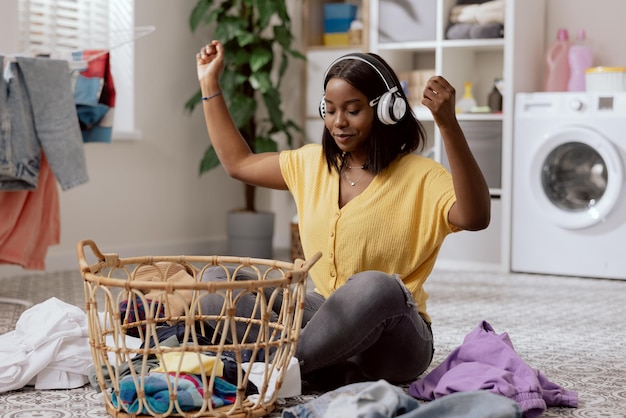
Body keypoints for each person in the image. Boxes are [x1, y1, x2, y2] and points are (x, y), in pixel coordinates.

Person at [195, 40, 491, 390]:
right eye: (330, 109)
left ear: (388, 110)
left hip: (394, 338)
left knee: (376, 284)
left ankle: (277, 368)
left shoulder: (422, 175)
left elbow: (475, 217)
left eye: (353, 110)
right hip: (327, 316)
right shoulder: (311, 164)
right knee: (216, 281)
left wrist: (448, 125)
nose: (338, 122)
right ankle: (313, 366)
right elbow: (238, 163)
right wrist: (209, 84)